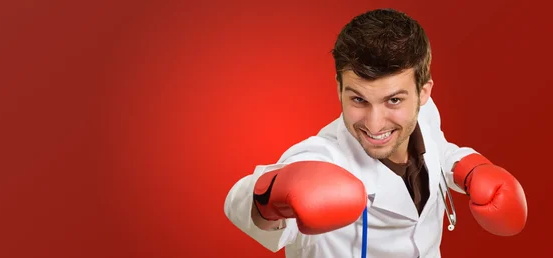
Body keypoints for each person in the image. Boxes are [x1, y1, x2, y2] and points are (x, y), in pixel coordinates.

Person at [223, 8, 528, 258]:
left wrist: (470, 169)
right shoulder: (322, 157)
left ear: (423, 93)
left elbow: (440, 147)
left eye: (393, 100)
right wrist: (273, 192)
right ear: (339, 88)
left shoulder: (426, 114)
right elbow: (239, 202)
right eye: (358, 100)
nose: (374, 123)